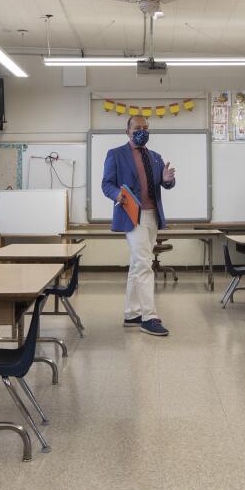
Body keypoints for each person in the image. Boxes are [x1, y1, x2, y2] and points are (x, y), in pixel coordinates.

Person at [101, 115, 176, 337]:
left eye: (145, 127)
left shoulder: (155, 157)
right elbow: (107, 184)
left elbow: (167, 183)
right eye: (137, 128)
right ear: (127, 131)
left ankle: (131, 312)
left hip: (153, 215)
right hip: (133, 215)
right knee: (144, 264)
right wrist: (119, 196)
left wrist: (167, 179)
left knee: (137, 264)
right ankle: (149, 317)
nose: (141, 131)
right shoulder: (115, 154)